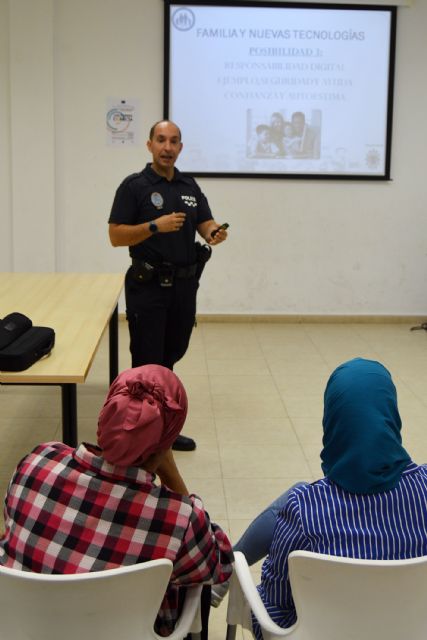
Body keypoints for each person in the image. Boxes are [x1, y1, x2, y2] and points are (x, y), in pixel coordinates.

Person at [0, 364, 234, 638]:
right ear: (164, 447)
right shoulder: (178, 518)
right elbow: (219, 565)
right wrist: (171, 474)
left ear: (104, 419)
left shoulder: (36, 462)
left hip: (24, 629)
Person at [212, 358, 427, 639]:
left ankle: (223, 570)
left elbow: (277, 601)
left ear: (332, 421)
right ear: (391, 415)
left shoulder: (304, 507)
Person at [108, 120, 228, 452]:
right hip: (148, 287)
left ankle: (160, 430)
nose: (167, 147)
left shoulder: (189, 187)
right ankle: (137, 433)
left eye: (174, 141)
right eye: (161, 140)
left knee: (171, 356)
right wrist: (153, 226)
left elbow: (205, 222)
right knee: (147, 361)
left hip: (183, 288)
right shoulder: (134, 187)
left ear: (180, 147)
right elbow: (116, 235)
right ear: (149, 145)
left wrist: (214, 232)